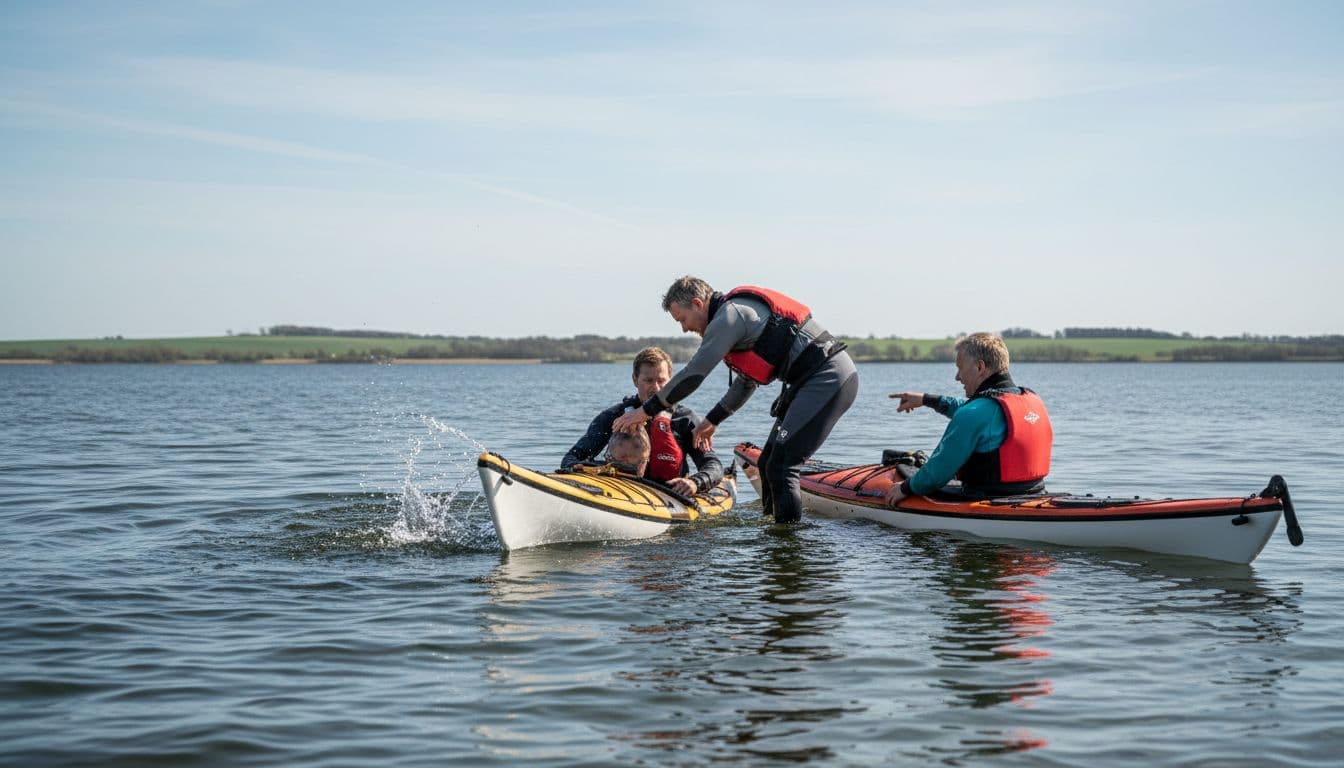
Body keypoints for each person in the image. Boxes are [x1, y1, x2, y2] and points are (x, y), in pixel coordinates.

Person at [612, 276, 858, 523]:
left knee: (783, 466)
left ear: (697, 304)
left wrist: (647, 410)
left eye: (682, 319)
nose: (684, 329)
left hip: (828, 378)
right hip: (809, 383)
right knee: (768, 465)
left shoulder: (730, 317)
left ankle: (788, 546)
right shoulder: (733, 321)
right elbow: (747, 382)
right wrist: (713, 420)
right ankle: (772, 531)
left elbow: (695, 373)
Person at [885, 332, 1052, 507]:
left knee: (909, 473)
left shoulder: (976, 412)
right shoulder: (1033, 400)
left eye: (960, 368)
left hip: (987, 499)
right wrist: (926, 399)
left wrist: (905, 488)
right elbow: (975, 410)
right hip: (1035, 493)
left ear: (980, 367)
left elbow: (936, 474)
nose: (957, 377)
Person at [561, 346, 724, 496]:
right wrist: (587, 469)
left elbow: (714, 466)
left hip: (670, 496)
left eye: (661, 380)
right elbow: (571, 458)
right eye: (648, 380)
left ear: (671, 380)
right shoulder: (613, 417)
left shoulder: (686, 420)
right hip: (621, 491)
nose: (656, 388)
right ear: (635, 379)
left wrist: (695, 482)